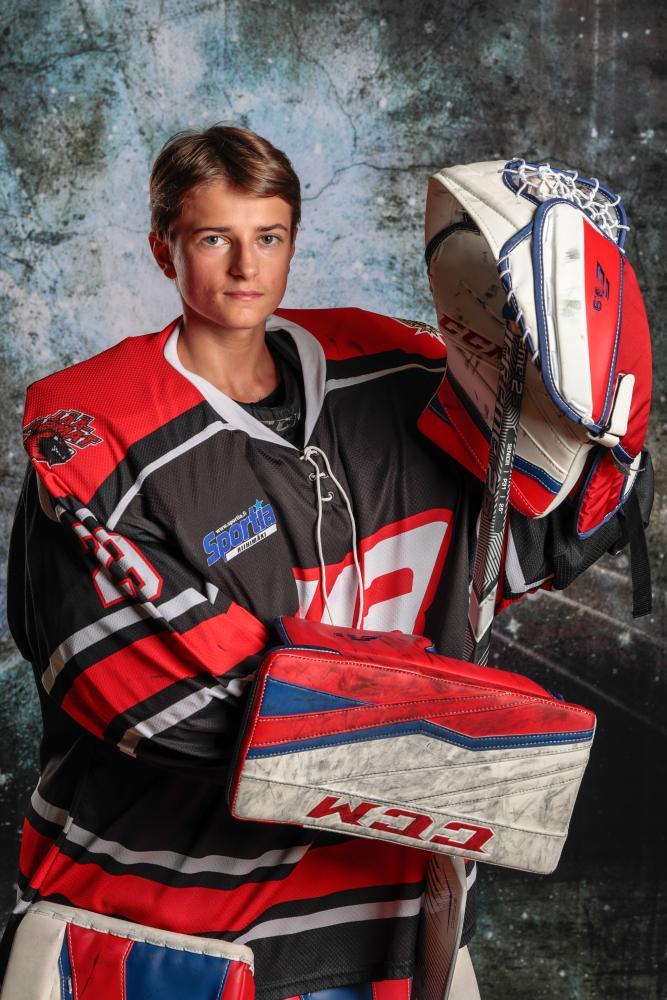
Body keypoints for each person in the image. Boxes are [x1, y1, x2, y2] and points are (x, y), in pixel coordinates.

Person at [1, 125, 653, 1000]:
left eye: (268, 237)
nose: (246, 266)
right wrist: (479, 753)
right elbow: (167, 709)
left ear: (293, 241)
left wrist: (593, 425)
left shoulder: (398, 376)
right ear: (164, 250)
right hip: (162, 937)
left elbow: (545, 533)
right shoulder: (97, 438)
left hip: (388, 936)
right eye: (214, 238)